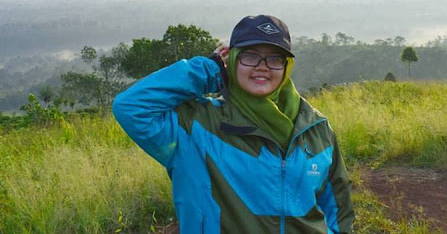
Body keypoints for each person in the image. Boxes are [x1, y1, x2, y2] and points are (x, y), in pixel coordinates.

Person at [113, 14, 354, 233]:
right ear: (233, 59)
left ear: (286, 66)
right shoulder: (196, 127)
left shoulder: (315, 128)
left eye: (274, 58)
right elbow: (131, 108)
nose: (262, 66)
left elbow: (338, 209)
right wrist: (211, 70)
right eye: (250, 56)